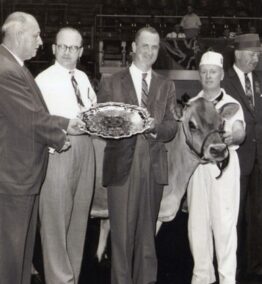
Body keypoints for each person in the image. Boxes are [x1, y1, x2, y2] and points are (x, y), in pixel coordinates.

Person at [0, 12, 84, 284]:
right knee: (10, 255)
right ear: (18, 34)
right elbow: (30, 118)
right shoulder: (6, 70)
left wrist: (65, 123)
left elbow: (33, 113)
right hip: (14, 178)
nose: (40, 41)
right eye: (36, 35)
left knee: (21, 253)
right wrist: (61, 136)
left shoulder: (17, 67)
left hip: (22, 176)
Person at [97, 26, 177, 284]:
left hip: (153, 167)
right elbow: (101, 124)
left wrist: (156, 127)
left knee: (147, 239)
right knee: (121, 238)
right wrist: (124, 124)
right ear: (133, 47)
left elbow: (172, 126)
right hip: (122, 166)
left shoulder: (167, 85)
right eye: (145, 46)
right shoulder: (111, 81)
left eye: (155, 47)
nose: (150, 52)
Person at [35, 27, 97, 284]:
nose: (67, 52)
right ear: (53, 48)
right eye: (62, 46)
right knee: (55, 224)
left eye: (73, 48)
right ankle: (59, 280)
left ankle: (73, 277)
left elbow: (92, 110)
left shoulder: (82, 77)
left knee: (78, 221)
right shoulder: (42, 80)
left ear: (81, 51)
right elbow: (38, 121)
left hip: (86, 149)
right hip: (58, 150)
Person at [187, 51, 246, 284]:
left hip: (224, 167)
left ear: (221, 74)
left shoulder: (231, 104)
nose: (208, 76)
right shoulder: (192, 104)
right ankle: (202, 277)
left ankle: (227, 278)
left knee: (224, 224)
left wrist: (235, 137)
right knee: (197, 224)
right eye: (204, 72)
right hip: (198, 168)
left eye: (212, 71)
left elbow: (240, 129)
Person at [221, 33, 262, 282]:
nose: (256, 58)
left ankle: (258, 266)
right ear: (238, 54)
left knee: (258, 216)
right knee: (235, 216)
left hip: (260, 158)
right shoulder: (224, 80)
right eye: (252, 54)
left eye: (257, 54)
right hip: (235, 159)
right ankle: (235, 267)